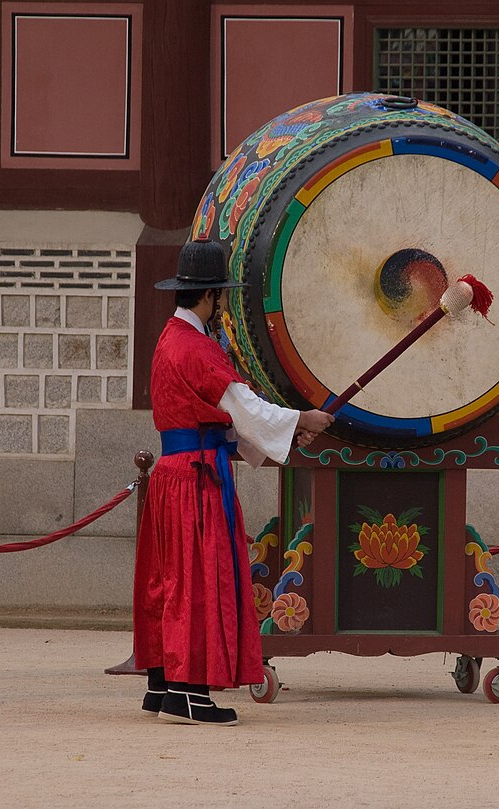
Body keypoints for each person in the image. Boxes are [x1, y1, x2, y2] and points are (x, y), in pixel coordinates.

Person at [134, 238, 333, 726]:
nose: (223, 303)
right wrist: (300, 419)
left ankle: (163, 685)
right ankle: (189, 694)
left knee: (169, 581)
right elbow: (246, 412)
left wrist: (280, 434)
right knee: (197, 584)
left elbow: (216, 422)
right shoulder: (199, 349)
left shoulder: (168, 340)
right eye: (221, 294)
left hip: (172, 475)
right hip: (195, 483)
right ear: (208, 296)